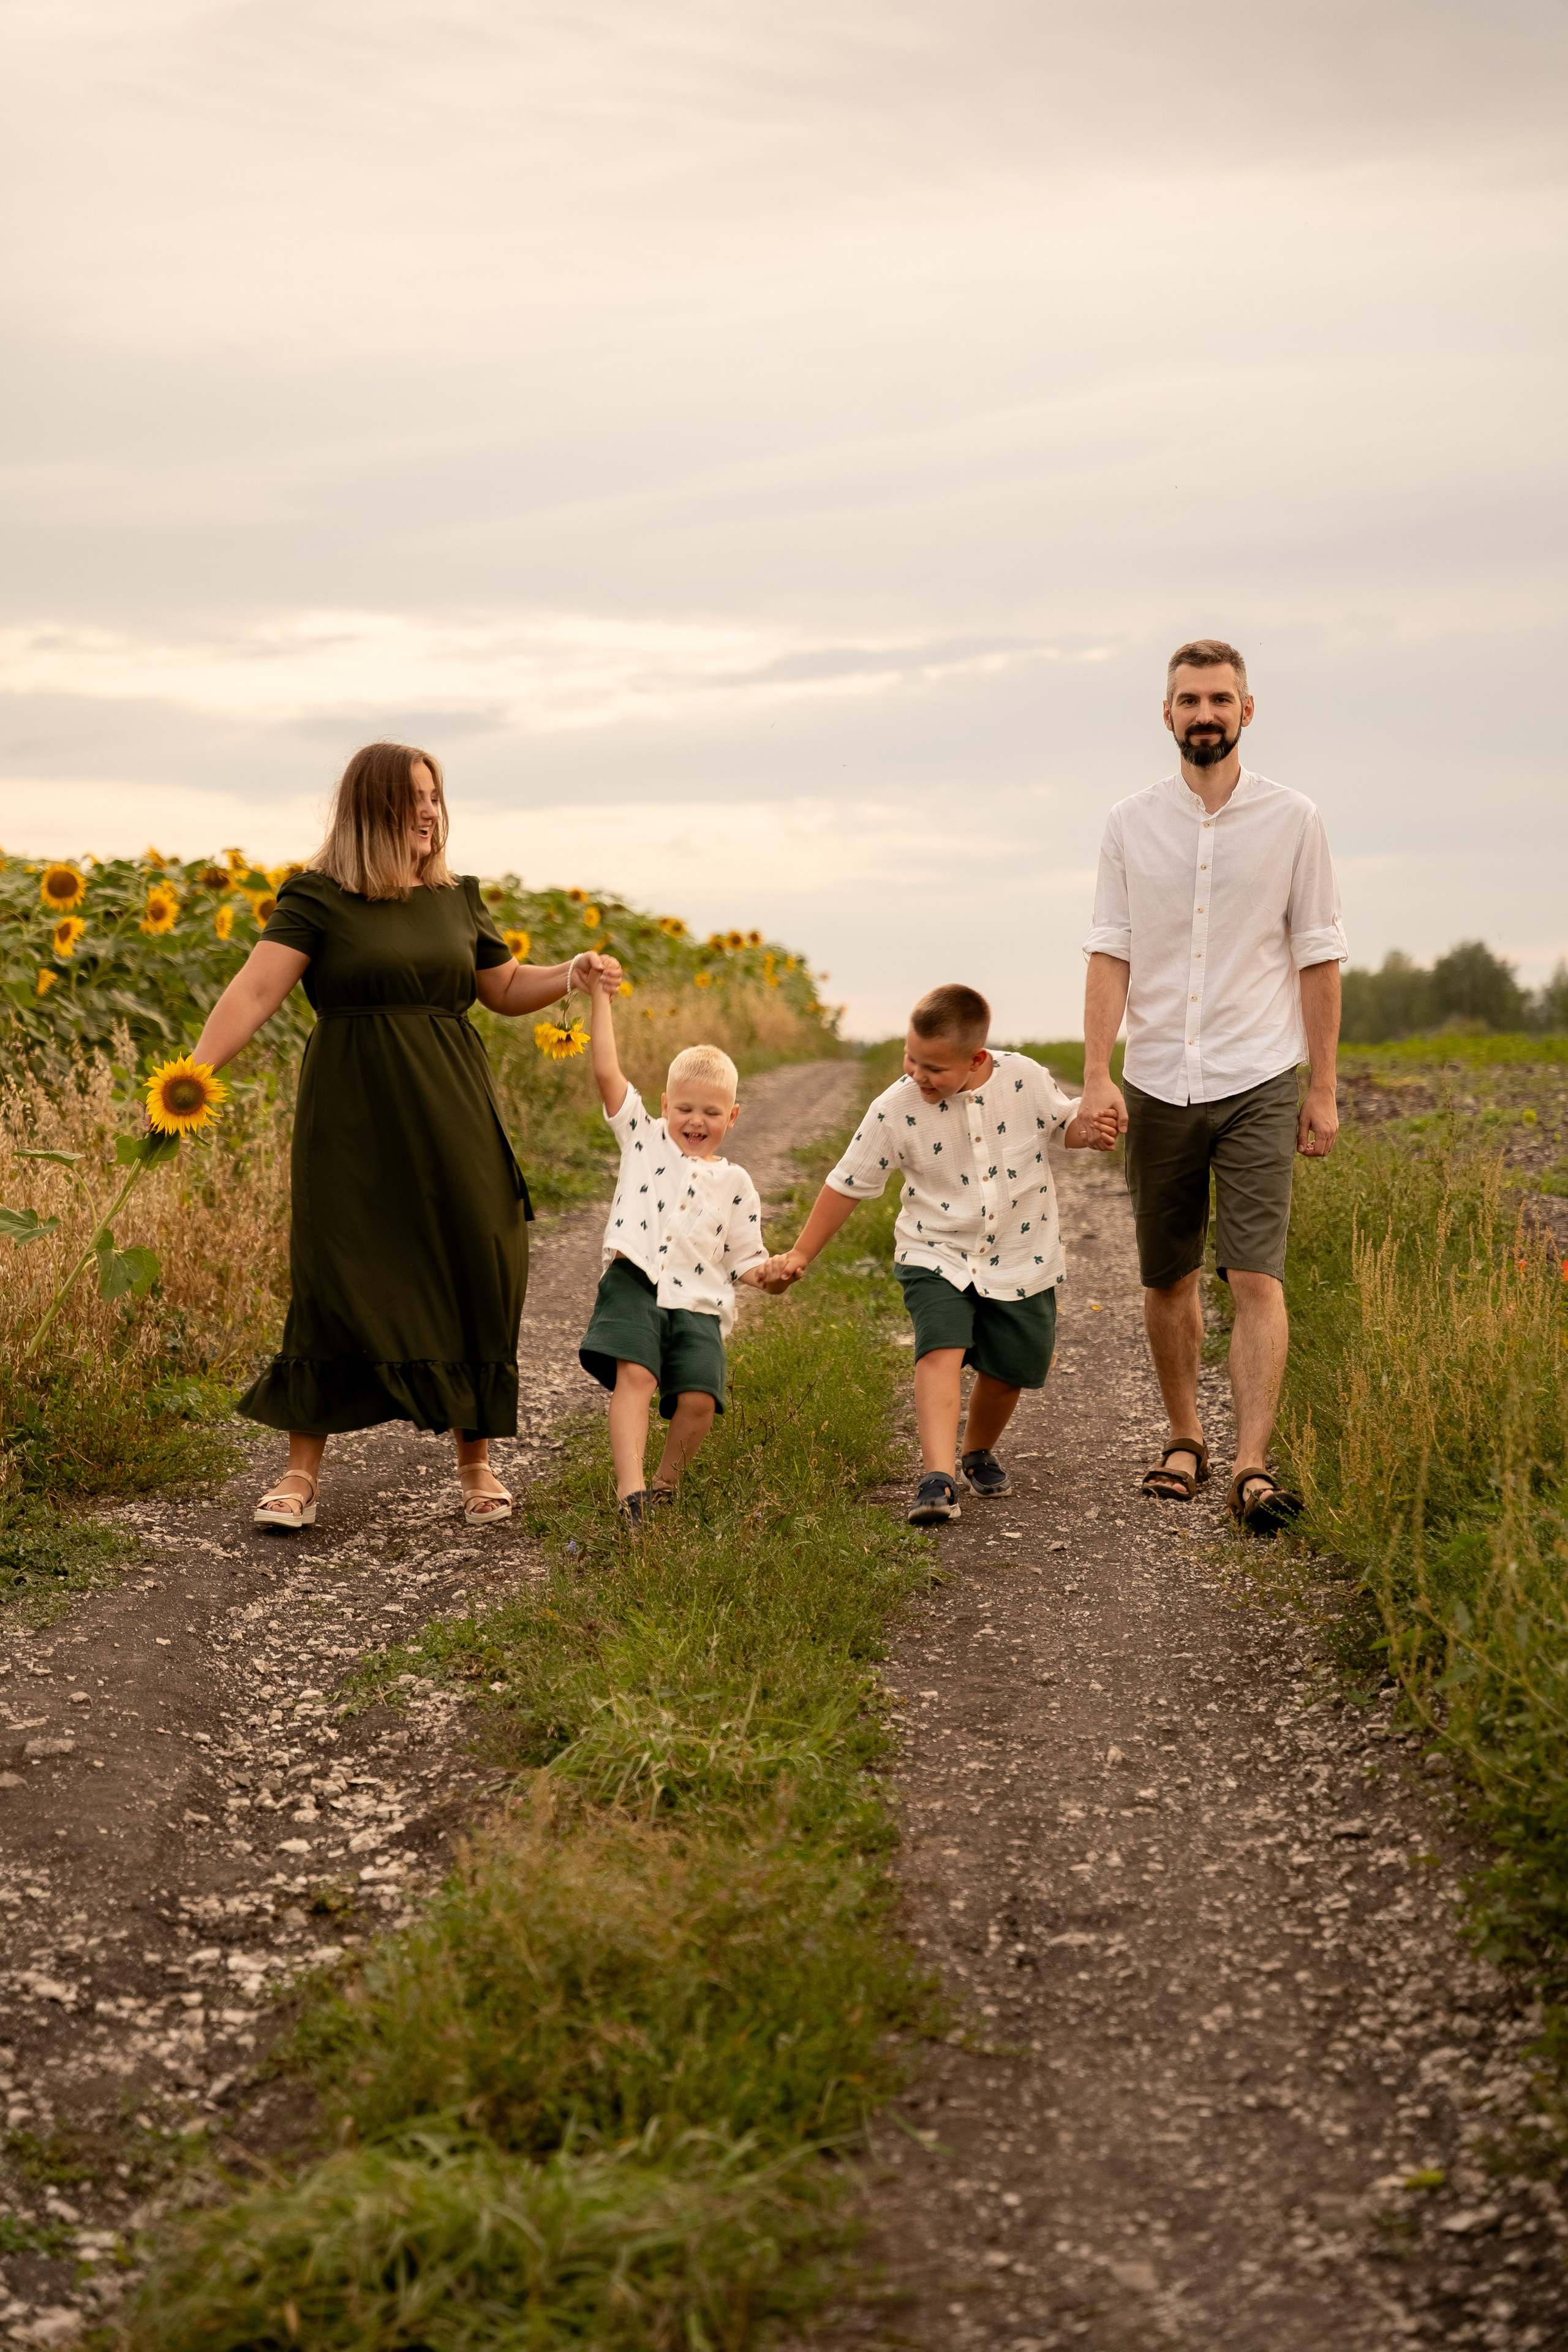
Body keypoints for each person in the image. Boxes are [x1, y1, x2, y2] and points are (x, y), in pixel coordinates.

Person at [189, 741, 621, 1532]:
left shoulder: (459, 898)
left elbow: (500, 988)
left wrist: (572, 972)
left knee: (473, 1261)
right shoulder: (319, 897)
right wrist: (188, 1083)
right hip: (353, 1116)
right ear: (372, 809)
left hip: (452, 1108)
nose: (431, 810)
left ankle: (476, 1463)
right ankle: (298, 1475)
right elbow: (254, 990)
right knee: (335, 1272)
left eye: (436, 795)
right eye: (413, 797)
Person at [1080, 638, 1347, 1534]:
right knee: (1167, 1277)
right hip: (1156, 1080)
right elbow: (1110, 951)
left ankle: (1251, 1464)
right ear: (1166, 714)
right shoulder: (1129, 823)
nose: (1205, 713)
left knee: (1255, 1274)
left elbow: (1318, 957)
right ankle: (1186, 1439)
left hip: (1260, 1075)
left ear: (1247, 710)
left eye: (1220, 699)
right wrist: (1096, 1076)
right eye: (1189, 699)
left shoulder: (1294, 819)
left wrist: (1323, 1087)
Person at [771, 983, 1117, 1526]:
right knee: (941, 1351)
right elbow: (848, 1182)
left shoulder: (1024, 1078)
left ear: (977, 1058)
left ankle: (976, 1452)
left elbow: (1060, 1126)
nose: (916, 1075)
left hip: (1023, 1253)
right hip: (935, 1251)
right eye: (911, 1058)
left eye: (933, 1067)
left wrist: (1089, 1130)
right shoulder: (894, 1108)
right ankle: (937, 1478)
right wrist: (801, 1253)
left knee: (1010, 1371)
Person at [578, 963, 792, 1525]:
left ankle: (667, 1487)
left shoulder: (737, 1183)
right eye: (685, 1108)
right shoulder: (642, 1137)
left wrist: (773, 1276)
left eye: (712, 1112)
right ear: (666, 1103)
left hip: (700, 1301)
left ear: (733, 1116)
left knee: (699, 1398)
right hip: (636, 1278)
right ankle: (632, 1493)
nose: (695, 1121)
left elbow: (747, 1260)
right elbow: (606, 1072)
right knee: (638, 1378)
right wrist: (602, 999)